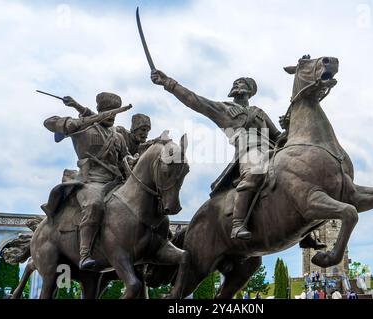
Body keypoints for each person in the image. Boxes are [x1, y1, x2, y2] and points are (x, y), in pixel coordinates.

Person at [151, 70, 282, 240]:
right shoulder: (224, 109)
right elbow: (194, 100)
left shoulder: (259, 112)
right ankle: (238, 223)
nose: (236, 84)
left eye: (241, 82)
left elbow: (278, 136)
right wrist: (168, 83)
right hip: (249, 151)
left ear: (250, 89)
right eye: (235, 82)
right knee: (254, 173)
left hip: (272, 151)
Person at [44, 92, 130, 270]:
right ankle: (85, 254)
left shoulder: (118, 136)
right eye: (109, 112)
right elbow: (49, 123)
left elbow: (126, 159)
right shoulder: (84, 128)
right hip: (91, 182)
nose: (112, 116)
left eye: (115, 113)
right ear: (100, 111)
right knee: (94, 204)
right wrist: (79, 119)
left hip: (116, 183)